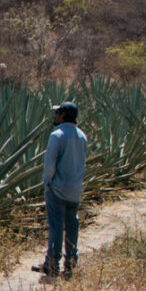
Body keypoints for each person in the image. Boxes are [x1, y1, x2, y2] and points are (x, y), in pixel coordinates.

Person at [33, 101, 86, 281]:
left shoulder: (57, 136)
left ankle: (52, 264)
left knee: (56, 226)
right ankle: (70, 264)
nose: (55, 116)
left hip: (58, 189)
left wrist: (47, 182)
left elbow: (50, 163)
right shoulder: (82, 136)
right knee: (72, 226)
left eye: (57, 113)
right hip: (75, 189)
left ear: (63, 115)